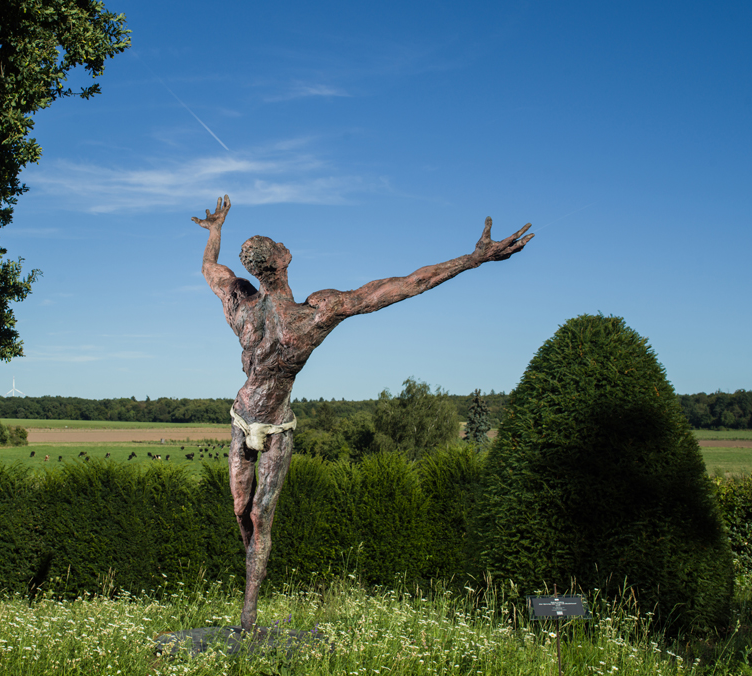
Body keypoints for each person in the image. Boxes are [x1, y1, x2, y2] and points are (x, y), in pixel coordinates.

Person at [193, 194, 533, 630]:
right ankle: (250, 597)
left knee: (257, 517)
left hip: (271, 425)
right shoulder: (296, 310)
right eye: (278, 245)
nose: (283, 246)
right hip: (245, 420)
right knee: (244, 512)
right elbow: (405, 284)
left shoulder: (263, 305)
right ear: (281, 258)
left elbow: (210, 267)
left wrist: (216, 232)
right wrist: (472, 259)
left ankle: (249, 614)